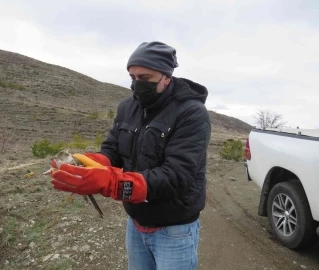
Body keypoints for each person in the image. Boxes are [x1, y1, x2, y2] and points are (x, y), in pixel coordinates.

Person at [51, 41, 211, 270]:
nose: (137, 84)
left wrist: (115, 184)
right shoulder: (128, 106)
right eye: (132, 77)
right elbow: (113, 149)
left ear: (166, 76)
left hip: (175, 228)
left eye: (144, 78)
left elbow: (177, 176)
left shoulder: (192, 113)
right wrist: (91, 164)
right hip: (135, 222)